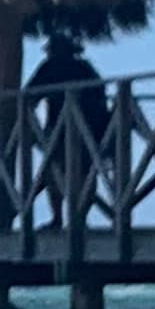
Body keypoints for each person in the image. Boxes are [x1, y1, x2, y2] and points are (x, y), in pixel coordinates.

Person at [24, 25, 110, 226]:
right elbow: (100, 95)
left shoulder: (51, 67)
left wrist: (31, 127)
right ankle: (78, 218)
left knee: (54, 172)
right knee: (85, 173)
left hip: (62, 129)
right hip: (88, 129)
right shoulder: (85, 68)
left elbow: (29, 96)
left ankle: (59, 218)